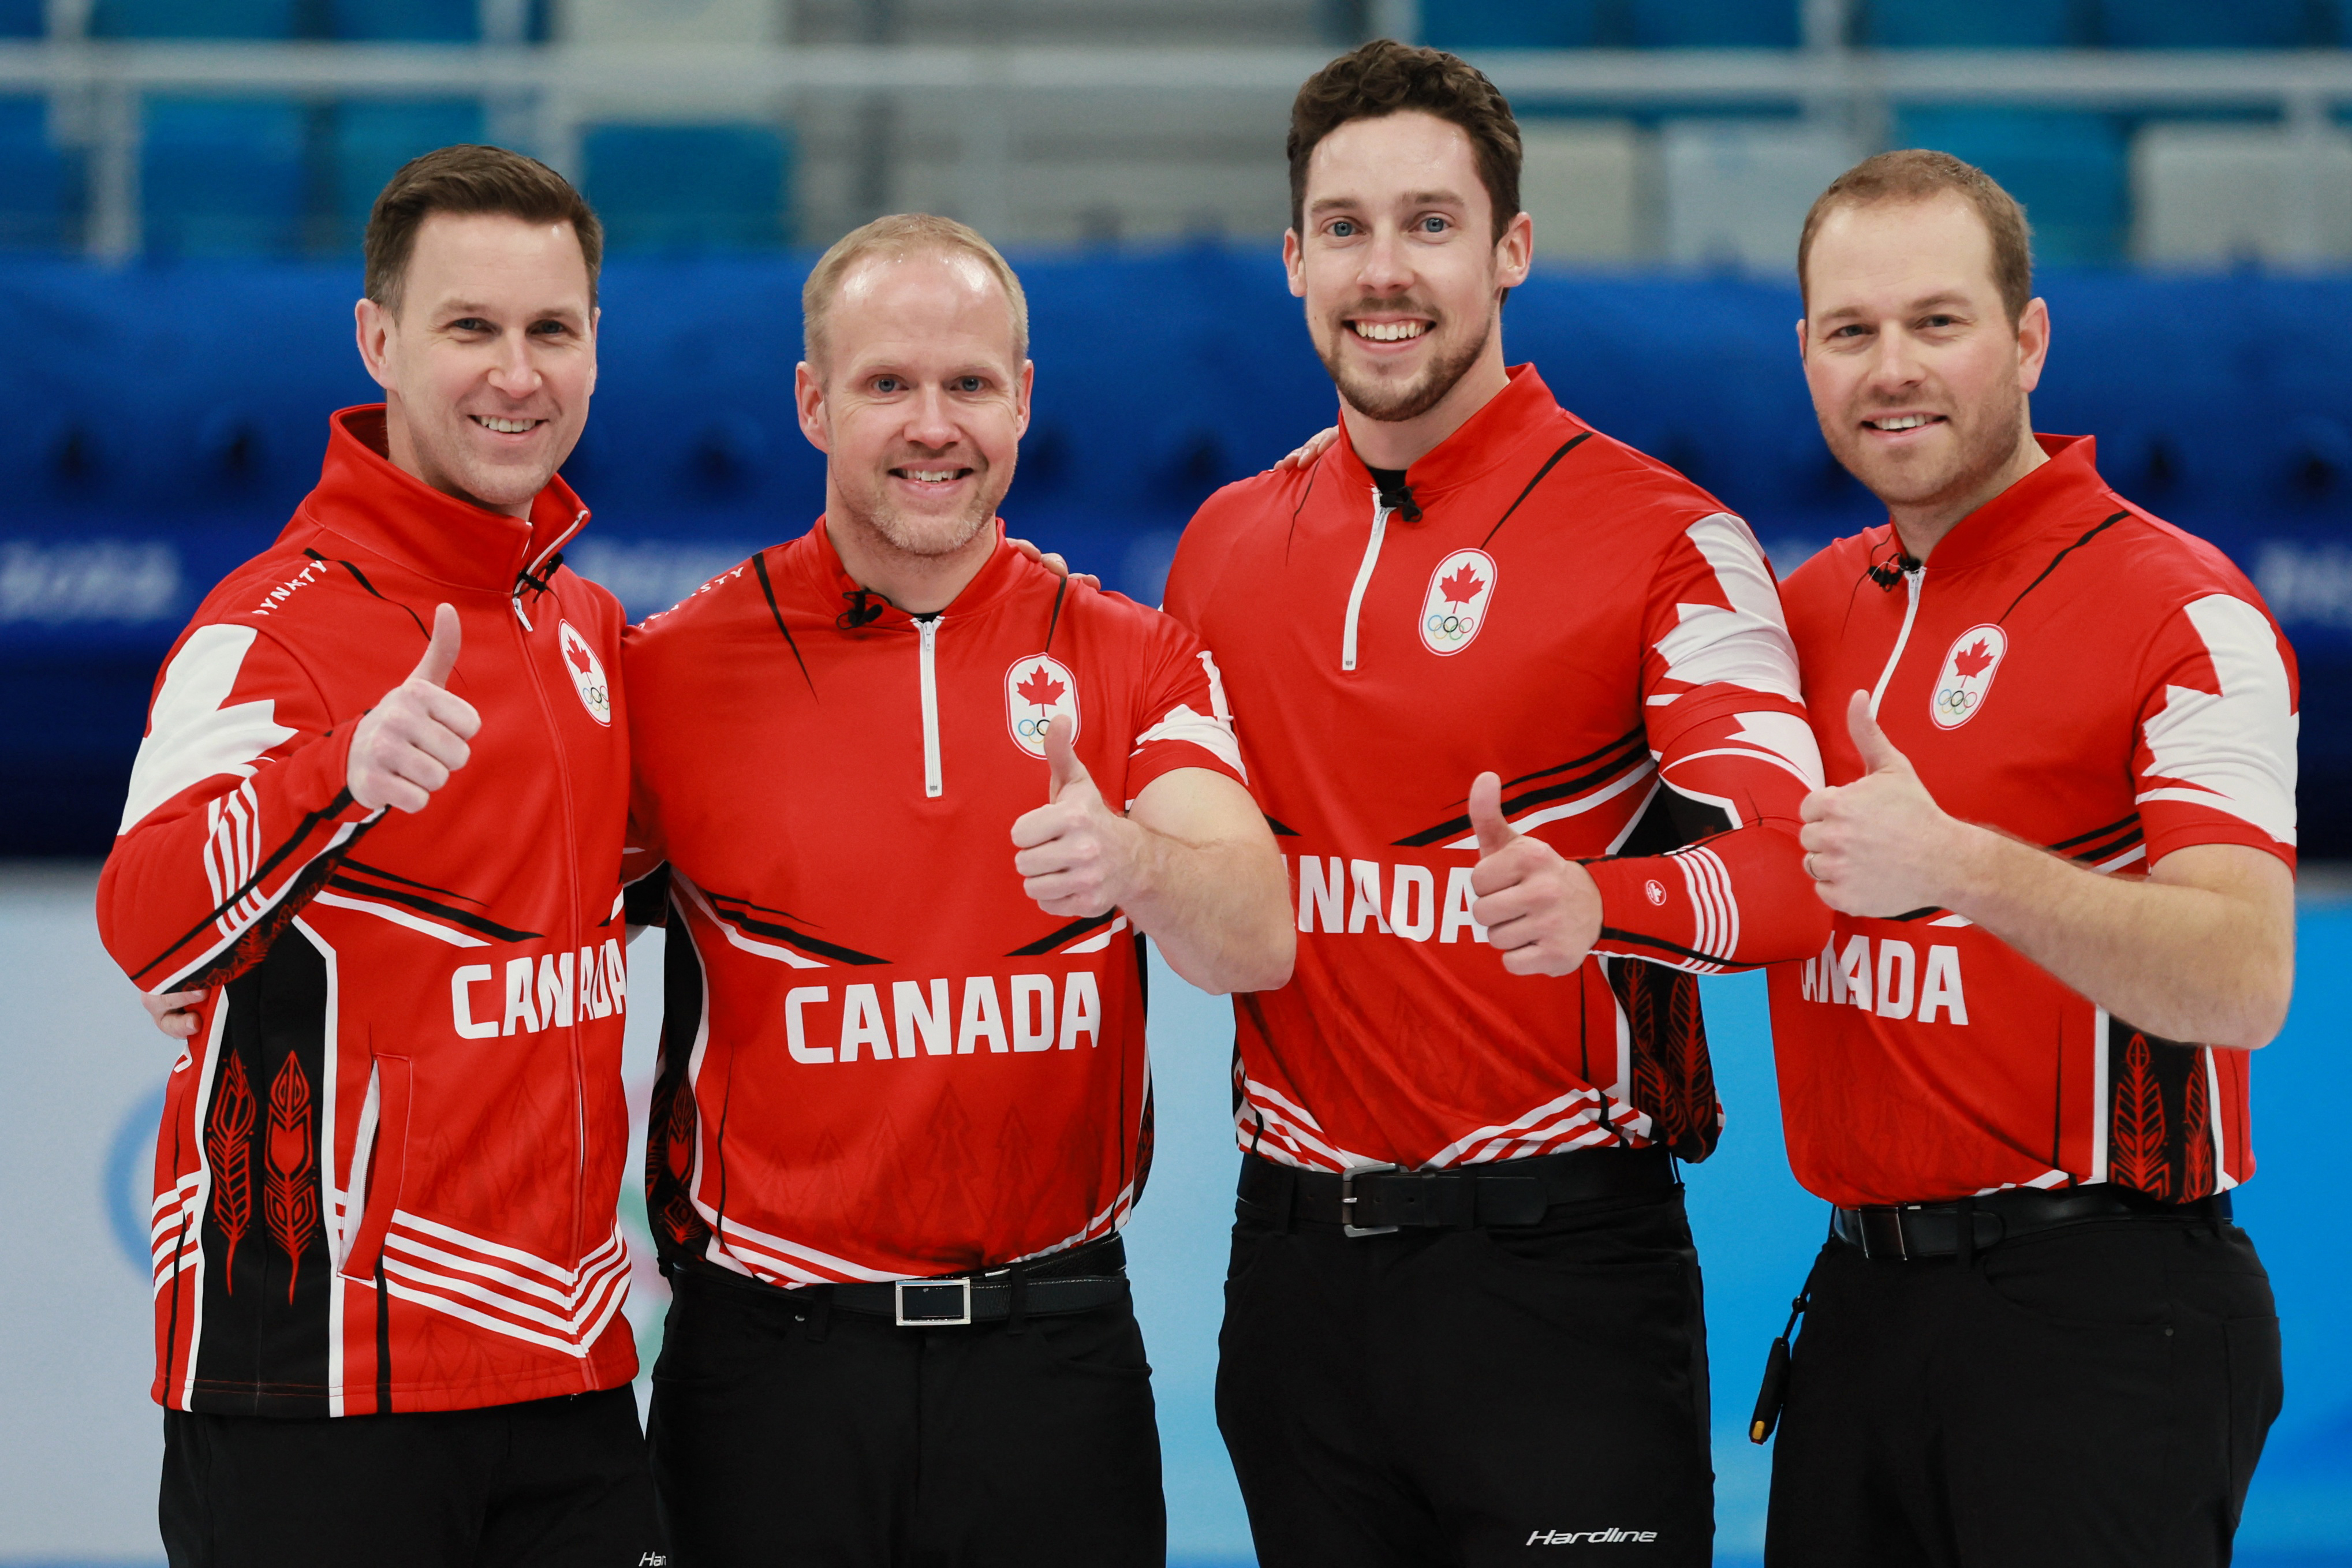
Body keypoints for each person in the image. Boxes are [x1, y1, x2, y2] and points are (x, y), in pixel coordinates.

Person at [1159, 42, 1832, 1568]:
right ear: (1289, 259)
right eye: (1343, 228)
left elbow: (1796, 863)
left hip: (1557, 1274)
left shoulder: (1667, 537)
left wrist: (1609, 902)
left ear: (1511, 249)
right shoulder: (1221, 542)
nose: (1381, 272)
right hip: (1290, 1278)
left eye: (1428, 223)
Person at [620, 212, 1294, 1567]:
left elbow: (1256, 935)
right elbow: (509, 911)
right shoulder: (669, 673)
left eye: (971, 384)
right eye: (888, 385)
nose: (935, 426)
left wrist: (1138, 863)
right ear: (813, 402)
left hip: (1053, 1363)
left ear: (1024, 400)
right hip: (769, 1371)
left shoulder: (1131, 653)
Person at [100, 145, 660, 1566]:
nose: (516, 375)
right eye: (470, 327)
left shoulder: (584, 624)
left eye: (553, 331)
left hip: (572, 1364)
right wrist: (331, 776)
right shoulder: (267, 625)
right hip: (321, 1387)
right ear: (379, 340)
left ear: (598, 343)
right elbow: (146, 919)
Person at [1763, 149, 2294, 1566]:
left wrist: (1967, 865)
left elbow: (2243, 976)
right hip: (1860, 1305)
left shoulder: (2183, 610)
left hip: (2106, 1310)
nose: (1894, 369)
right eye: (1851, 330)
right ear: (1803, 353)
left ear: (2030, 339)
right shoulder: (1803, 613)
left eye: (1939, 322)